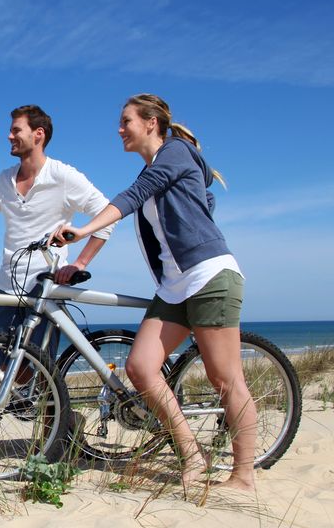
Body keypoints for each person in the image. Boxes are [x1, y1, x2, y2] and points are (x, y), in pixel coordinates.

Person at [50, 94, 255, 491]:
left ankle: (243, 476)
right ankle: (191, 452)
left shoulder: (175, 152)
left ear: (151, 123)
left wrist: (84, 229)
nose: (120, 128)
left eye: (126, 120)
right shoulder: (161, 168)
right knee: (141, 368)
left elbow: (135, 195)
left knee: (225, 378)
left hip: (210, 276)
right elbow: (200, 198)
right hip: (175, 286)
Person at [0, 104, 114, 359]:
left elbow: (107, 214)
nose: (9, 136)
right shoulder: (5, 180)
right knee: (6, 371)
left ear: (39, 134)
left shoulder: (63, 176)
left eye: (16, 130)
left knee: (39, 371)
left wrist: (80, 263)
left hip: (46, 284)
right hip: (8, 286)